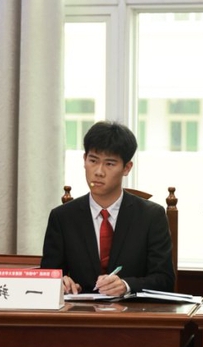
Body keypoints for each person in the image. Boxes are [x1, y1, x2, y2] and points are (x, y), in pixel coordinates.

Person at [41, 121, 174, 296]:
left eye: (109, 164)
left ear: (127, 168)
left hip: (133, 310)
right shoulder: (63, 217)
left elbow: (165, 280)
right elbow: (47, 275)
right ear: (84, 160)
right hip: (81, 310)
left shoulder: (151, 216)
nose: (99, 172)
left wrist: (127, 285)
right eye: (93, 160)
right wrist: (60, 282)